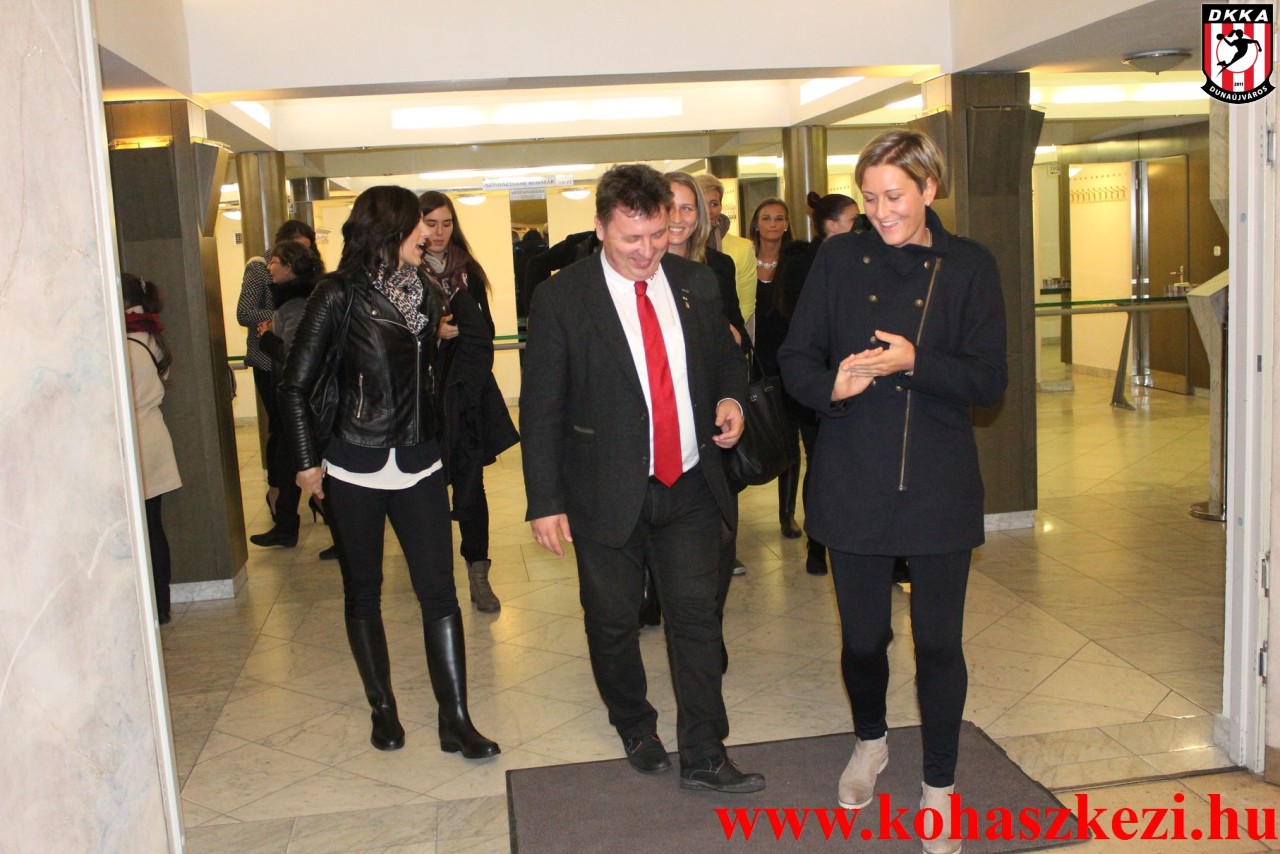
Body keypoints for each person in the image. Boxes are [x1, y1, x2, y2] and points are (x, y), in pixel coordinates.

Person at [777, 129, 1007, 853]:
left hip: (938, 486)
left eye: (895, 196)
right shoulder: (838, 259)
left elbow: (989, 381)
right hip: (854, 479)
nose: (881, 212)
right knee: (863, 639)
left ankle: (939, 785)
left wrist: (915, 361)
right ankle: (870, 741)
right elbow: (794, 357)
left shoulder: (969, 265)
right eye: (870, 197)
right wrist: (833, 387)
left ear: (930, 188)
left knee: (938, 644)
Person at [521, 164, 763, 794]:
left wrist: (731, 401)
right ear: (601, 227)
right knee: (612, 619)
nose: (647, 250)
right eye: (631, 238)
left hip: (689, 483)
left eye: (657, 234)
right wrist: (544, 500)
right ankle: (634, 723)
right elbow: (541, 406)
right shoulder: (561, 298)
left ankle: (705, 752)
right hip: (603, 488)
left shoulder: (696, 283)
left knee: (696, 618)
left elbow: (726, 360)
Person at [279, 186, 498, 758]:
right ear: (388, 229)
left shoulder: (426, 288)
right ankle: (383, 709)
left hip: (420, 461)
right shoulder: (336, 294)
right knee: (364, 593)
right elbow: (295, 385)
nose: (426, 233)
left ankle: (456, 719)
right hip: (355, 461)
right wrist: (305, 463)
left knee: (440, 593)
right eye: (416, 225)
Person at [418, 190, 519, 613]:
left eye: (446, 223)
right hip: (423, 401)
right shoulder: (405, 272)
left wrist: (467, 328)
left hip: (468, 396)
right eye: (431, 224)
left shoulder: (468, 272)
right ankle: (433, 578)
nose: (439, 232)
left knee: (471, 483)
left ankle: (479, 574)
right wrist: (433, 332)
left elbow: (487, 331)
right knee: (426, 490)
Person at [237, 219, 318, 525]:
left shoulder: (312, 276)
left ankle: (304, 504)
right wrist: (278, 318)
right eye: (297, 249)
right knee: (282, 435)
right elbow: (244, 312)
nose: (303, 256)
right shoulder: (260, 268)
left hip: (295, 361)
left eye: (307, 249)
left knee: (297, 436)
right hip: (269, 361)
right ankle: (283, 504)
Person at [249, 241, 326, 550]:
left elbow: (294, 356)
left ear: (289, 268)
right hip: (299, 399)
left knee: (295, 464)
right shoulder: (301, 300)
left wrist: (266, 337)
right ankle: (286, 527)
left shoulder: (294, 306)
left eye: (275, 262)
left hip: (298, 400)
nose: (269, 267)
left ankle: (294, 528)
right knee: (288, 464)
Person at [747, 198, 814, 542]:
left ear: (787, 224)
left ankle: (787, 514)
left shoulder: (796, 263)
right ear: (756, 224)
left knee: (790, 439)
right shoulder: (742, 260)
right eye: (766, 218)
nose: (772, 224)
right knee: (757, 433)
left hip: (789, 361)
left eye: (778, 218)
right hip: (753, 360)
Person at [122, 273, 182, 625]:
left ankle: (147, 608)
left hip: (135, 440)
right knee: (153, 526)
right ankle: (161, 606)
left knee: (138, 528)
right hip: (155, 435)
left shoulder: (124, 345)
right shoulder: (152, 338)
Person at [694, 175, 756, 333]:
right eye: (702, 203)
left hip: (730, 333)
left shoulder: (743, 248)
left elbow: (746, 303)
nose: (708, 211)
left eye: (714, 204)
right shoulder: (680, 246)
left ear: (721, 207)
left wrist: (724, 332)